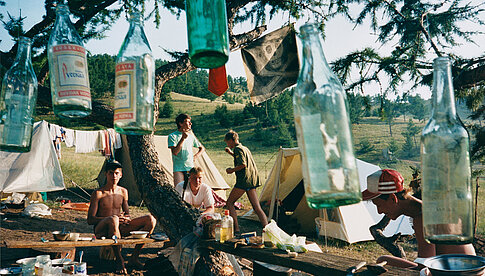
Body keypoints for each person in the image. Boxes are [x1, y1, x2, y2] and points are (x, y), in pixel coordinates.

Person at [362, 169, 476, 269]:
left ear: (393, 199)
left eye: (379, 205)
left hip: (460, 272)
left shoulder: (423, 217)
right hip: (469, 268)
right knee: (383, 260)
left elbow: (425, 268)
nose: (379, 211)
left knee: (384, 261)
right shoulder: (427, 208)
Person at [87, 160, 157, 274]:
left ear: (121, 175)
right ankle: (120, 261)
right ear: (105, 174)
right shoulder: (98, 193)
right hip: (102, 229)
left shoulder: (123, 191)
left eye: (116, 173)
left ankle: (134, 258)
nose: (113, 176)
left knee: (151, 219)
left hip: (118, 226)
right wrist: (112, 218)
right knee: (113, 219)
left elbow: (127, 214)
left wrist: (125, 219)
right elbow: (90, 220)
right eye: (110, 173)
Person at [224, 130, 268, 233]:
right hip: (252, 180)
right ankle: (267, 229)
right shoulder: (244, 148)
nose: (227, 144)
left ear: (231, 140)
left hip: (244, 181)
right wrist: (231, 153)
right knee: (257, 207)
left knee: (229, 203)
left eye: (227, 142)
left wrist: (231, 170)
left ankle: (236, 228)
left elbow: (243, 164)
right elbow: (243, 160)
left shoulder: (238, 149)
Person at [168, 113, 205, 186]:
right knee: (179, 190)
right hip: (178, 168)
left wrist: (196, 156)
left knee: (191, 189)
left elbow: (202, 148)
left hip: (190, 168)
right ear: (181, 123)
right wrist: (183, 138)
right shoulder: (172, 136)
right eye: (187, 122)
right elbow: (175, 152)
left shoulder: (191, 136)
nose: (190, 123)